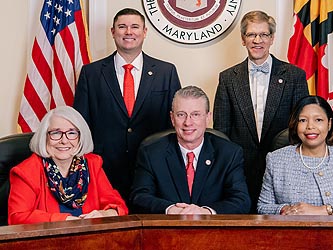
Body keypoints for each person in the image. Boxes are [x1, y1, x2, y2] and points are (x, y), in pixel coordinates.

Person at [73, 8, 181, 202]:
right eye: (122, 27)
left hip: (154, 169)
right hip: (104, 171)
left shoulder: (166, 72)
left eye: (134, 27)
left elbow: (174, 122)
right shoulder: (91, 73)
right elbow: (80, 124)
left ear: (145, 32)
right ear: (113, 32)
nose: (128, 32)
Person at [213, 10, 309, 212]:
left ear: (272, 38)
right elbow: (221, 131)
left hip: (285, 171)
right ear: (243, 39)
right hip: (240, 171)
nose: (258, 40)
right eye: (251, 35)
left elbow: (303, 127)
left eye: (264, 35)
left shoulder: (294, 76)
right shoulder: (228, 78)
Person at [129, 86, 250, 214]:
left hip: (213, 231)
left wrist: (206, 212)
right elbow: (139, 198)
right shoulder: (151, 153)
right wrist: (172, 210)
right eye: (181, 115)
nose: (188, 122)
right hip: (167, 230)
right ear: (172, 118)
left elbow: (242, 201)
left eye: (195, 115)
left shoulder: (229, 153)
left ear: (208, 117)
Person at [257, 96, 333, 216]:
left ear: (329, 124)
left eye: (318, 120)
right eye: (303, 120)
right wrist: (287, 209)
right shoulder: (276, 160)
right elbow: (263, 207)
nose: (310, 126)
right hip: (295, 235)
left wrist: (324, 210)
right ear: (296, 125)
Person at [8, 106, 128, 225]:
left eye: (71, 133)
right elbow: (17, 217)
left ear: (80, 137)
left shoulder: (92, 164)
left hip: (92, 240)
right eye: (56, 133)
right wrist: (64, 221)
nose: (64, 141)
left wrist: (104, 214)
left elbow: (118, 206)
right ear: (44, 137)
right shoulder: (27, 171)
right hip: (47, 242)